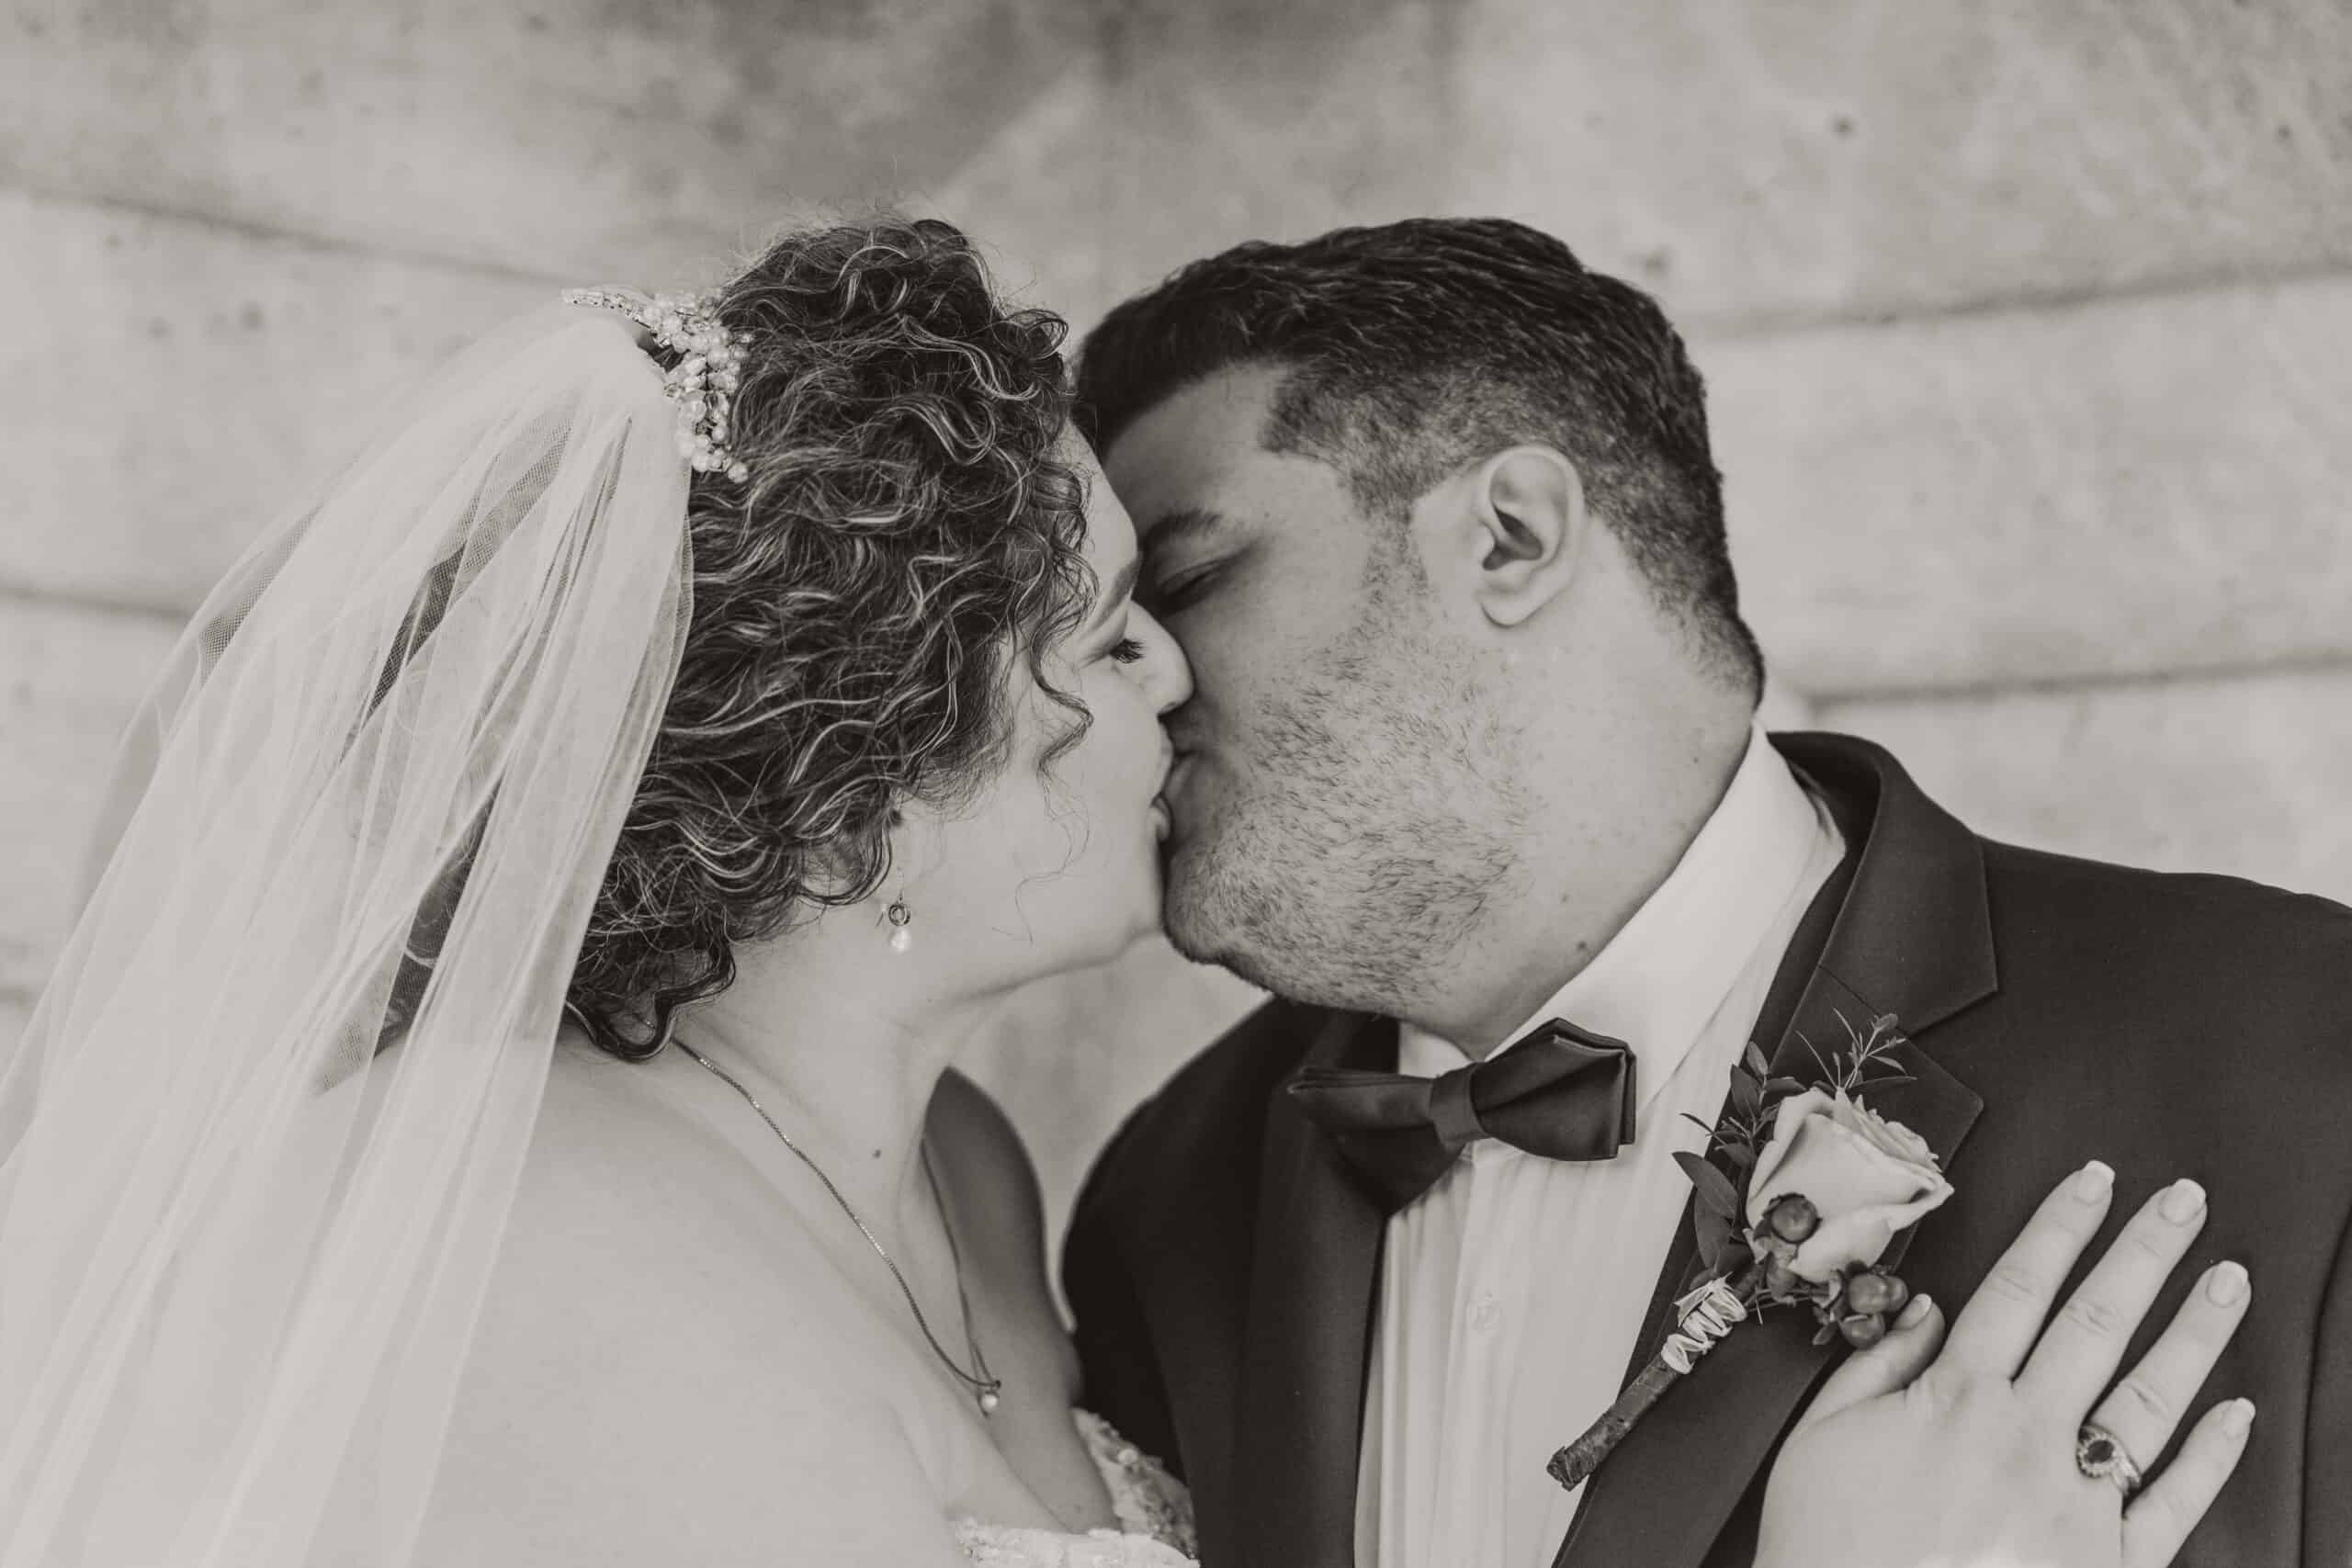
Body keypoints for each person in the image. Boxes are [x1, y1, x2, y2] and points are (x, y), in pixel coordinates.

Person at [0, 216, 2253, 1568]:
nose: (1165, 672)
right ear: (852, 780)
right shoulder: (499, 1237)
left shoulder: (1020, 1188)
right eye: (1102, 622)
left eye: (1170, 588)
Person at [1063, 215, 2352, 1568]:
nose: (1130, 685)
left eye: (1188, 582)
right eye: (1102, 634)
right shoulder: (1168, 1206)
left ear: (1511, 534)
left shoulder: (2292, 1069)